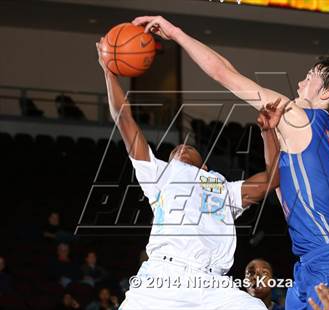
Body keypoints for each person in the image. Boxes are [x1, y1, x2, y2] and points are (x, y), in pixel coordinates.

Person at [130, 16, 329, 309]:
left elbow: (224, 73)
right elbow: (280, 182)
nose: (300, 82)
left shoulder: (300, 117)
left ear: (326, 93)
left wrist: (176, 33)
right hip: (314, 261)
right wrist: (267, 132)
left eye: (309, 77)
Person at [96, 36, 281, 309]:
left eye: (187, 149)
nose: (180, 149)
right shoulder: (158, 174)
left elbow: (273, 178)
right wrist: (108, 70)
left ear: (205, 166)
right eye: (173, 152)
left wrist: (269, 133)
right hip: (161, 279)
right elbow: (124, 119)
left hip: (212, 285)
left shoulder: (224, 188)